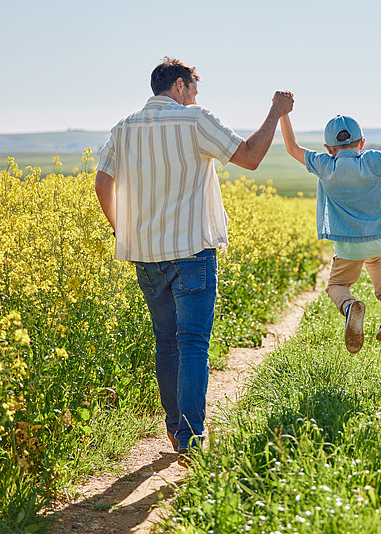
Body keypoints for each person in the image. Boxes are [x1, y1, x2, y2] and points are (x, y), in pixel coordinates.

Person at [94, 57, 293, 466]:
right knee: (193, 343)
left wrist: (122, 230)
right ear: (181, 86)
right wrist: (275, 112)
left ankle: (174, 427)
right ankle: (190, 436)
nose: (196, 98)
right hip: (192, 253)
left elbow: (102, 182)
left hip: (145, 255)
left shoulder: (123, 127)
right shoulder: (194, 120)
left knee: (166, 341)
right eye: (195, 91)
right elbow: (251, 157)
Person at [280, 105, 381, 353]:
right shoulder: (373, 161)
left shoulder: (324, 164)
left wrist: (284, 113)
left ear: (328, 148)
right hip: (379, 239)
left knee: (336, 286)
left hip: (347, 245)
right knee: (375, 260)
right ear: (362, 142)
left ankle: (349, 307)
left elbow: (292, 148)